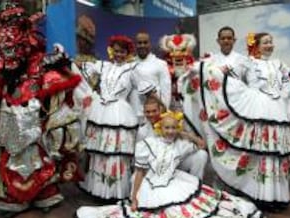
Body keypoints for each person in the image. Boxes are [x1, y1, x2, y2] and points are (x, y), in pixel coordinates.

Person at [0, 1, 83, 217]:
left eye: (15, 48)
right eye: (7, 50)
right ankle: (13, 197)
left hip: (36, 133)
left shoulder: (41, 69)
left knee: (39, 159)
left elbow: (59, 106)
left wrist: (62, 136)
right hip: (9, 128)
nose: (12, 56)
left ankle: (44, 194)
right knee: (10, 159)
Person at [76, 111, 266, 218]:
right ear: (160, 128)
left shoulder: (180, 144)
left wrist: (184, 133)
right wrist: (133, 197)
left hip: (173, 181)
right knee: (161, 212)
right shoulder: (149, 143)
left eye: (173, 128)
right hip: (150, 184)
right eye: (167, 128)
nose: (170, 131)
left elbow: (201, 145)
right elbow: (141, 171)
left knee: (193, 206)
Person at [180, 32, 290, 212]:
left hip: (278, 110)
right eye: (265, 42)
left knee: (276, 154)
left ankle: (278, 196)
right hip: (259, 108)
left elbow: (287, 84)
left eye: (271, 42)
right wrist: (203, 70)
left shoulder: (279, 64)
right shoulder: (247, 61)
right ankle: (263, 196)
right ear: (256, 46)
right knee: (262, 154)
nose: (269, 45)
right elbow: (231, 79)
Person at [78, 35, 156, 200]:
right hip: (100, 112)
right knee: (100, 152)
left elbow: (148, 89)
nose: (118, 54)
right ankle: (98, 189)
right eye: (116, 51)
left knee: (117, 153)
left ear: (127, 53)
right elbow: (80, 67)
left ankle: (116, 191)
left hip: (119, 113)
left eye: (122, 51)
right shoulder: (103, 66)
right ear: (111, 51)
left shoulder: (132, 69)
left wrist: (160, 108)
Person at [137, 96, 208, 179]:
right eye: (148, 112)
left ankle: (195, 184)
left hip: (178, 161)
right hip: (157, 167)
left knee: (202, 155)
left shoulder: (173, 122)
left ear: (160, 110)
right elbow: (140, 157)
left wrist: (181, 132)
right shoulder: (142, 131)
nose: (151, 114)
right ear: (144, 112)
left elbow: (202, 145)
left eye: (154, 111)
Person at [134, 31, 171, 110]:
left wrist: (164, 109)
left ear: (150, 44)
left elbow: (166, 90)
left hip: (154, 112)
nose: (142, 45)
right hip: (134, 112)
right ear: (135, 45)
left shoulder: (160, 64)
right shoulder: (129, 64)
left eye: (145, 42)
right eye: (139, 43)